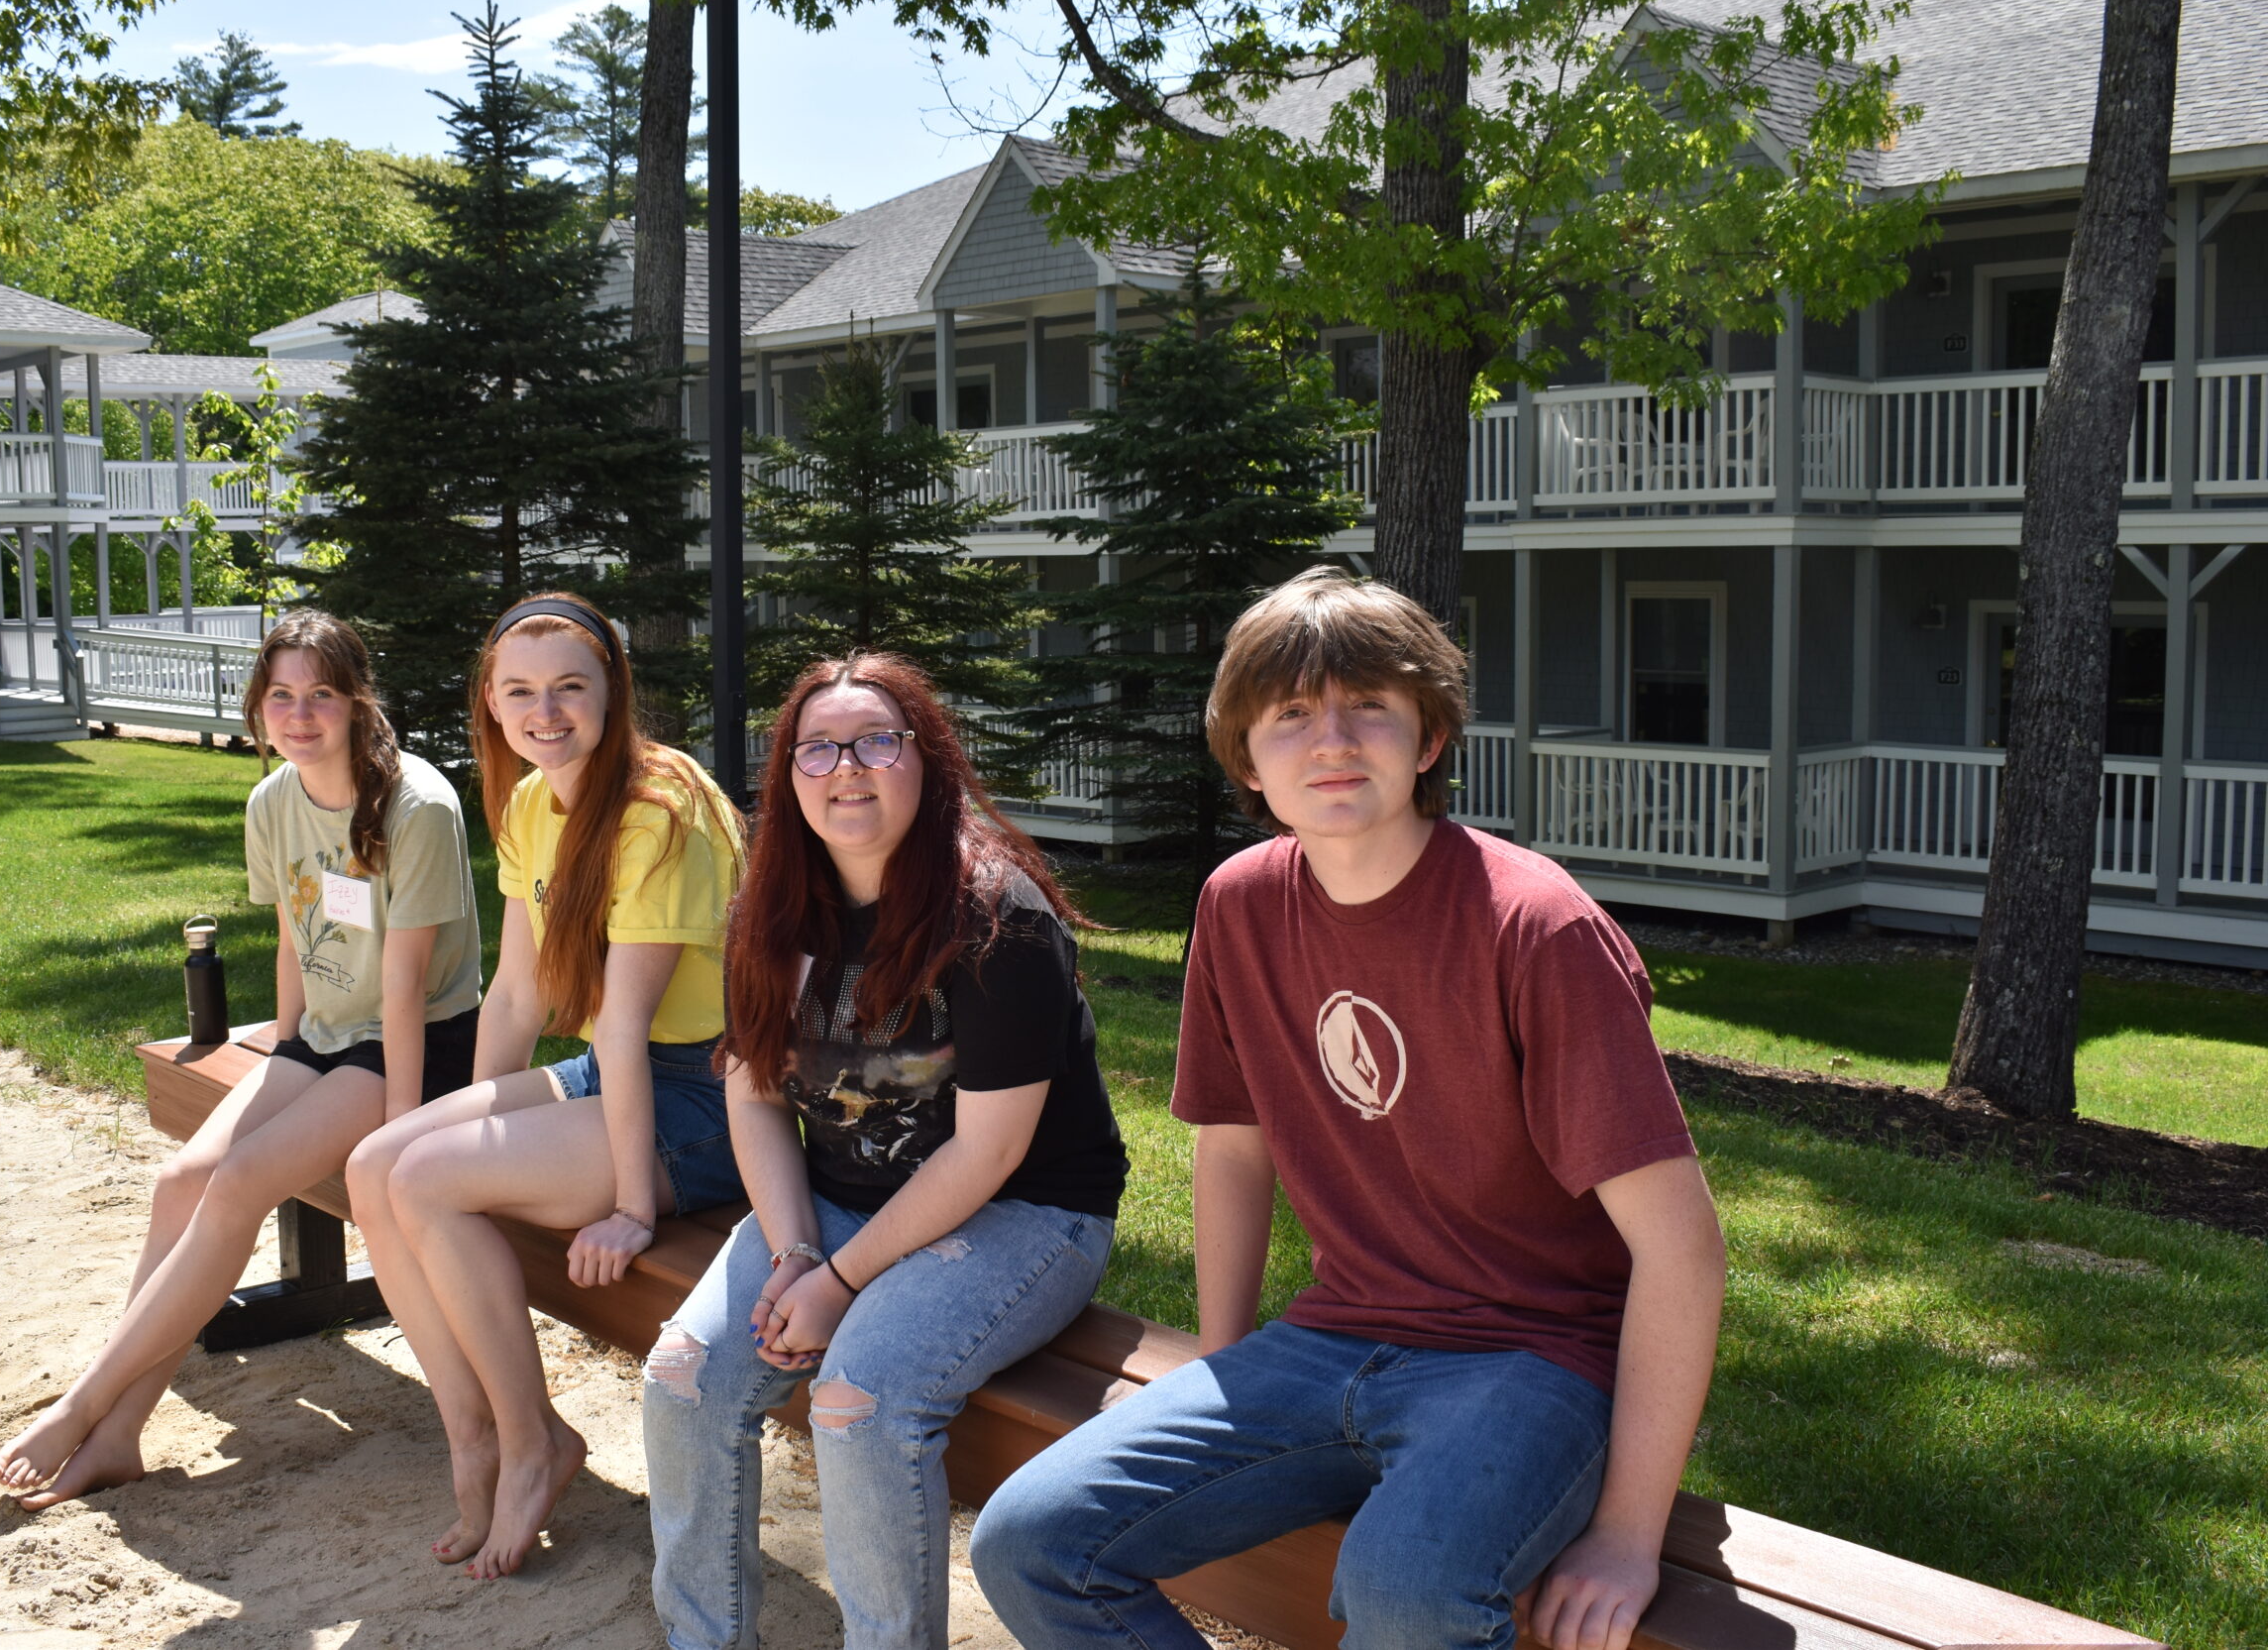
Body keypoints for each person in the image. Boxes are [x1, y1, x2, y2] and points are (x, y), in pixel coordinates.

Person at [971, 568, 1728, 1650]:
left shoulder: (1536, 929)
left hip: (1535, 1357)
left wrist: (1625, 1536)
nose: (1331, 741)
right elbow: (1232, 1148)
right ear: (1247, 760)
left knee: (1407, 1589)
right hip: (1332, 1334)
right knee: (1029, 1539)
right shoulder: (1237, 906)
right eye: (1289, 716)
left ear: (1426, 739)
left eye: (1368, 706)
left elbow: (1682, 1249)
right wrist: (1221, 1367)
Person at [642, 652, 1128, 1650]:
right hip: (833, 1204)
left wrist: (839, 1282)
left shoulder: (994, 917)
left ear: (926, 759)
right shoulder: (767, 913)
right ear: (788, 776)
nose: (844, 768)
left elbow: (989, 1153)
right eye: (816, 748)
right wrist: (791, 1255)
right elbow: (757, 1100)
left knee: (857, 1402)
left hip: (1024, 1215)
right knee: (684, 1373)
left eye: (875, 741)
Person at [0, 608, 485, 1509]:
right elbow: (297, 939)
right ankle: (122, 1433)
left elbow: (406, 994)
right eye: (281, 695)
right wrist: (277, 1049)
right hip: (326, 1038)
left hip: (417, 1049)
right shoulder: (273, 800)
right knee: (182, 1179)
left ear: (357, 701)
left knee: (239, 1180)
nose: (299, 715)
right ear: (259, 705)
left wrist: (403, 1132)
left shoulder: (417, 805)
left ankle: (83, 1402)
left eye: (321, 695)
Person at [342, 593, 746, 1581]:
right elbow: (516, 995)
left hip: (714, 1094)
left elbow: (622, 1017)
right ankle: (471, 1432)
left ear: (614, 689)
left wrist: (634, 1207)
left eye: (572, 686)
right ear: (489, 699)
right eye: (520, 690)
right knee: (378, 1166)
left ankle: (532, 1445)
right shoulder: (532, 798)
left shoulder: (662, 807)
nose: (546, 710)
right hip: (622, 1070)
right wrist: (471, 1130)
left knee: (429, 1180)